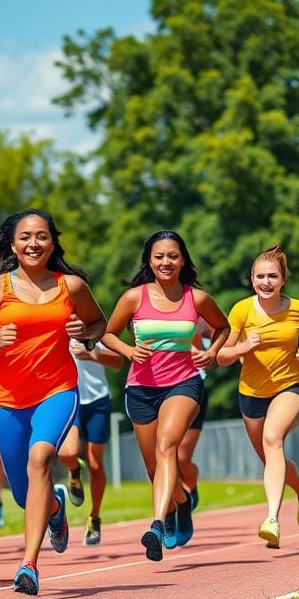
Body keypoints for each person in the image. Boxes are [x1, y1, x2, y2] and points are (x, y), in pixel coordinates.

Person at [0, 208, 106, 595]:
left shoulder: (70, 286)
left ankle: (29, 565)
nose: (33, 243)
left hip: (57, 391)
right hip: (6, 399)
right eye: (25, 237)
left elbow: (98, 323)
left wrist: (84, 332)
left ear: (52, 242)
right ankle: (54, 508)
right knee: (24, 495)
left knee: (42, 459)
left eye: (41, 236)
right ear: (13, 244)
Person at [103, 230, 229, 561]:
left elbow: (223, 327)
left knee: (166, 446)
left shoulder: (196, 298)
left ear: (183, 259)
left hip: (184, 383)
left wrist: (211, 353)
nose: (166, 262)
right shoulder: (134, 298)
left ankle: (157, 524)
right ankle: (181, 504)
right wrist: (129, 351)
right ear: (149, 260)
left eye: (173, 256)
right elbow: (108, 334)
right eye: (159, 256)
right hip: (141, 389)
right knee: (154, 469)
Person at [217, 245, 299, 549]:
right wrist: (243, 348)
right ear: (251, 279)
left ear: (283, 280)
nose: (265, 282)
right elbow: (222, 357)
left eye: (272, 276)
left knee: (273, 439)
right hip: (251, 393)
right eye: (260, 276)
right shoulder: (241, 310)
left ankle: (271, 519)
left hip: (291, 386)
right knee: (271, 456)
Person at [58, 338, 122, 545]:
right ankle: (75, 471)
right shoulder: (57, 329)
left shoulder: (96, 332)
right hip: (69, 398)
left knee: (95, 465)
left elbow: (119, 361)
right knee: (67, 453)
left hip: (98, 401)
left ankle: (94, 518)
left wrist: (92, 354)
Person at [177, 319, 216, 512]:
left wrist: (209, 354)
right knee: (165, 454)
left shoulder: (201, 319)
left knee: (182, 456)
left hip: (194, 388)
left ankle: (190, 489)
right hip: (162, 388)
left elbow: (222, 337)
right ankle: (173, 503)